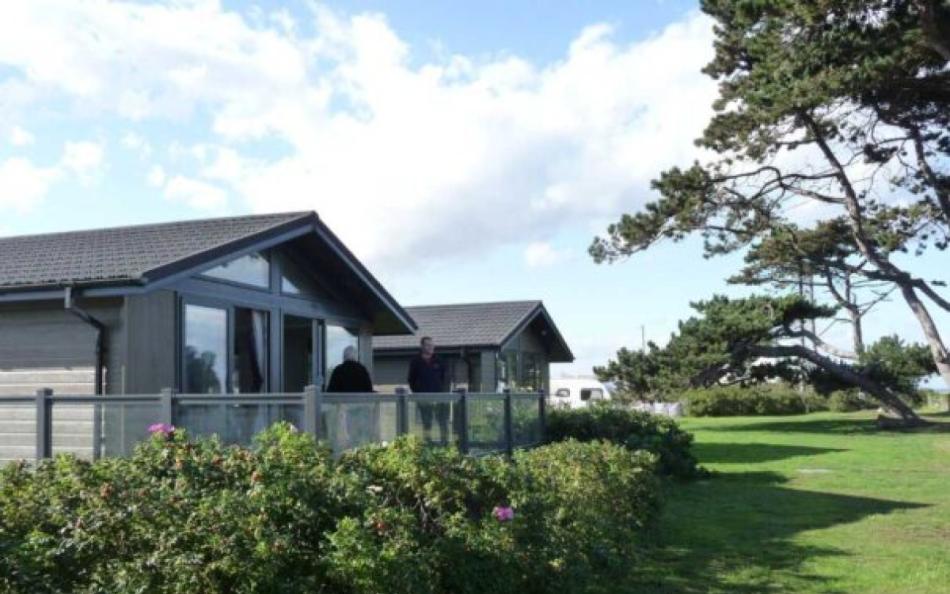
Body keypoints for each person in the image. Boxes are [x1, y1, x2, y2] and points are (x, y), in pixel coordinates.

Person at [326, 346, 374, 449]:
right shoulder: (362, 369)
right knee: (360, 436)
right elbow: (369, 390)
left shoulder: (339, 370)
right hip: (362, 408)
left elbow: (331, 392)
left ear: (344, 356)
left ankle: (349, 454)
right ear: (355, 356)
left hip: (346, 409)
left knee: (348, 435)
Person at [408, 336, 449, 444]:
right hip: (424, 398)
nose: (431, 347)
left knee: (442, 421)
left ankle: (444, 443)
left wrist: (443, 394)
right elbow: (411, 379)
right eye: (428, 345)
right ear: (422, 346)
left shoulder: (439, 361)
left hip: (440, 398)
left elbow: (445, 379)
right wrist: (418, 393)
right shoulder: (416, 361)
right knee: (427, 421)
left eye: (432, 345)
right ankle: (428, 442)